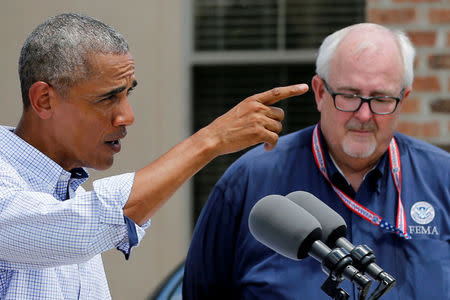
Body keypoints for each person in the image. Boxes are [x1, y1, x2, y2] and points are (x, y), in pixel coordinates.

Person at [0, 13, 308, 299]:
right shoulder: (13, 184)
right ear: (44, 100)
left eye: (126, 93)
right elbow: (81, 226)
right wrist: (210, 139)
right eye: (108, 97)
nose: (127, 116)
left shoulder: (68, 193)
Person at [183, 23, 450, 300]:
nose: (363, 114)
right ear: (320, 92)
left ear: (403, 99)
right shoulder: (249, 181)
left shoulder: (443, 181)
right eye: (349, 95)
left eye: (381, 99)